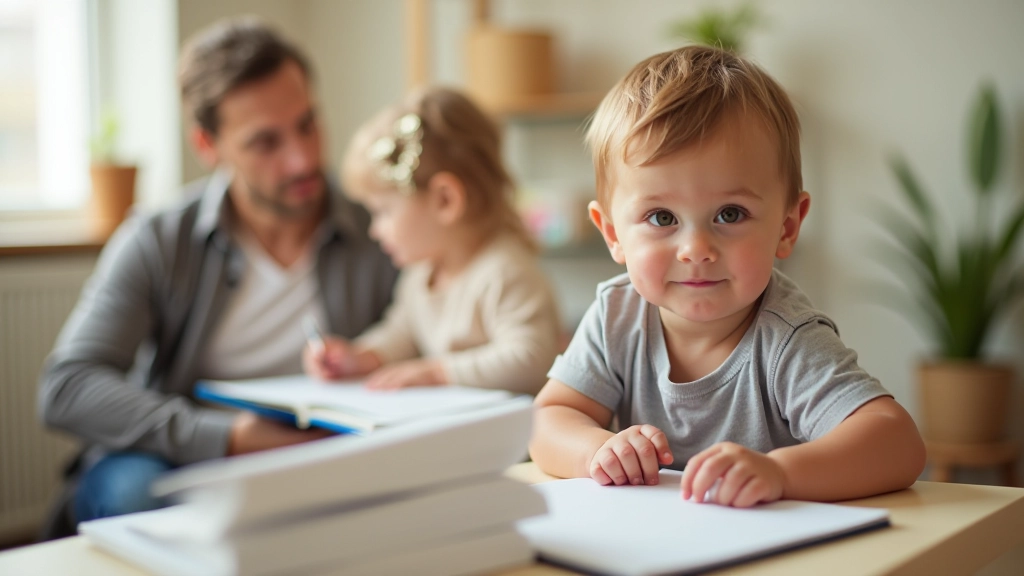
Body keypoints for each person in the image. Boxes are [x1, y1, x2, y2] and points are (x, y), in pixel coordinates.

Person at [37, 17, 397, 531]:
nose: (302, 159)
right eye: (265, 142)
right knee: (135, 492)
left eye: (307, 124)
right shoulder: (160, 239)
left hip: (330, 448)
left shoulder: (381, 228)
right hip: (184, 455)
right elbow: (67, 386)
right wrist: (227, 437)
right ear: (208, 145)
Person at [528, 46, 925, 507]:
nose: (696, 249)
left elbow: (897, 444)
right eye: (661, 218)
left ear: (787, 226)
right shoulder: (617, 315)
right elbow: (547, 420)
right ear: (613, 235)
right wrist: (597, 448)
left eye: (730, 213)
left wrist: (778, 472)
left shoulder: (786, 340)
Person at [303, 87, 561, 395]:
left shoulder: (505, 272)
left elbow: (531, 359)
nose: (374, 230)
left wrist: (438, 372)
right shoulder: (421, 274)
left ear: (445, 200)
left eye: (383, 211)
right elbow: (401, 332)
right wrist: (360, 356)